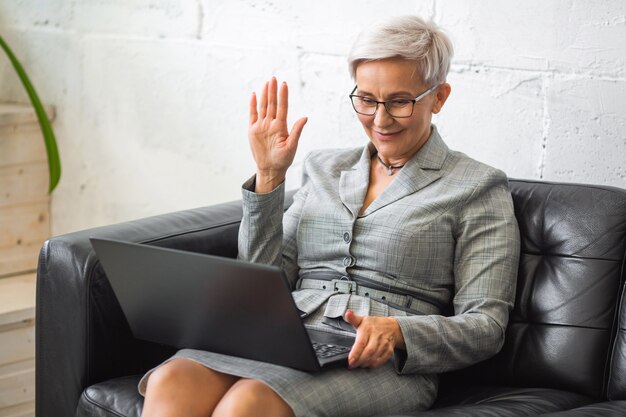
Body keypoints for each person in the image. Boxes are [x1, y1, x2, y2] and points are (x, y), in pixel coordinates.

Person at [138, 15, 520, 417]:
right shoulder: (323, 168)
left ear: (439, 97)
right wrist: (270, 176)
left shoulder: (477, 186)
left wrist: (399, 331)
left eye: (399, 101)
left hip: (379, 361)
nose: (380, 119)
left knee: (248, 402)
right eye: (367, 99)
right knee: (172, 378)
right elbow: (261, 283)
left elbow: (486, 326)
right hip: (284, 337)